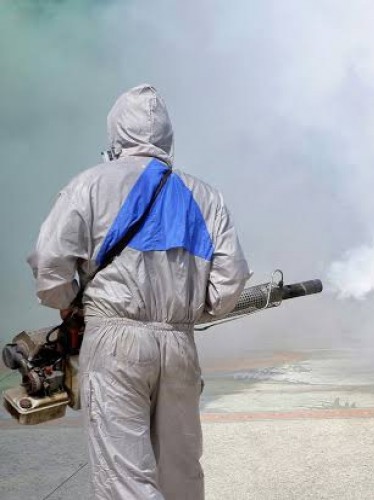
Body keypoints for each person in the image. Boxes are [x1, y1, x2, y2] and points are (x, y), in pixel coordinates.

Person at [27, 84, 251, 499]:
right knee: (181, 472)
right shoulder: (206, 196)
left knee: (125, 478)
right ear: (168, 135)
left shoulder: (90, 186)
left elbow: (49, 265)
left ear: (116, 132)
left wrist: (70, 304)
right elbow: (229, 282)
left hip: (115, 343)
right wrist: (187, 313)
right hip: (179, 344)